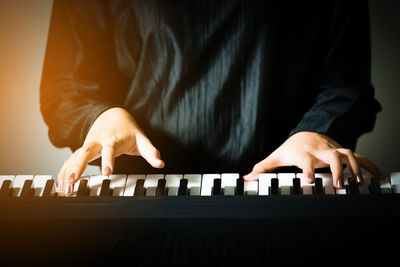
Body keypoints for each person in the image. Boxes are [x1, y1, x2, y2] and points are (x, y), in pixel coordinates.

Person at [40, 0, 384, 195]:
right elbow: (67, 85)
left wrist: (314, 132)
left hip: (288, 190)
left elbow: (345, 85)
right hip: (134, 200)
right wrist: (102, 117)